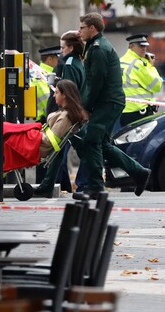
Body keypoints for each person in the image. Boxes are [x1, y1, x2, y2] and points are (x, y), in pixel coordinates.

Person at [75, 12, 152, 199]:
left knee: (91, 141)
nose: (79, 32)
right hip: (109, 102)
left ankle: (95, 188)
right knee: (102, 144)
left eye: (82, 28)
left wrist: (86, 106)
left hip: (107, 103)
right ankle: (139, 173)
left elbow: (96, 82)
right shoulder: (95, 46)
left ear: (92, 28)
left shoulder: (99, 49)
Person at [34, 32, 86, 197]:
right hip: (71, 113)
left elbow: (67, 91)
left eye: (63, 47)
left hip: (68, 114)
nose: (61, 51)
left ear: (70, 48)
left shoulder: (69, 64)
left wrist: (62, 113)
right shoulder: (75, 62)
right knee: (57, 148)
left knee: (89, 150)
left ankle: (86, 184)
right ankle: (48, 184)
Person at [119, 33, 163, 126]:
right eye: (140, 46)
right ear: (131, 46)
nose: (144, 49)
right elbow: (156, 86)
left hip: (124, 111)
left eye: (145, 46)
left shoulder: (121, 60)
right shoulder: (138, 64)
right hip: (139, 112)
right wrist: (151, 66)